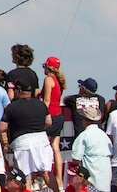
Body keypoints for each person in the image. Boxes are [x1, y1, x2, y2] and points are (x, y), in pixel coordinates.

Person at [0, 78, 54, 192]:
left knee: (25, 176)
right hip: (41, 141)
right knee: (46, 172)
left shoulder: (12, 107)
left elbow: (1, 128)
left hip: (22, 143)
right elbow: (49, 122)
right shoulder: (41, 104)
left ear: (19, 90)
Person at [72, 107, 112, 192]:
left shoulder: (84, 135)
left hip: (91, 177)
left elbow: (75, 159)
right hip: (105, 177)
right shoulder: (104, 136)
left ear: (84, 120)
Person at [40, 56, 66, 188]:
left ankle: (44, 176)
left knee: (43, 146)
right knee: (56, 148)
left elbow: (47, 100)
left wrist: (44, 115)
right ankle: (59, 179)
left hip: (51, 115)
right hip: (59, 115)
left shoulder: (48, 79)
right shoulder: (59, 81)